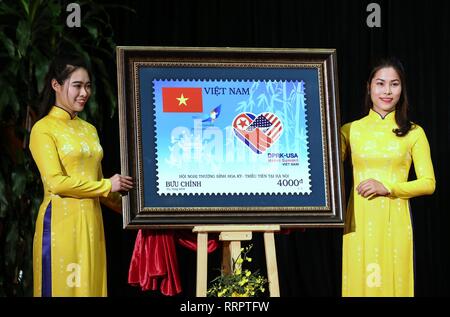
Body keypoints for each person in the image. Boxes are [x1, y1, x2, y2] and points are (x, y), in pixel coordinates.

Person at [29, 55, 133, 297]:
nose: (84, 93)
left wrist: (136, 212)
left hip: (92, 224)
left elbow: (102, 189)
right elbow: (55, 183)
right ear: (56, 85)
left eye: (88, 86)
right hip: (59, 225)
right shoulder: (43, 129)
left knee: (92, 289)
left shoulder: (90, 130)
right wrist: (108, 184)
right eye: (77, 85)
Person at [340, 58, 435, 296]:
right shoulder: (350, 130)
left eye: (394, 84)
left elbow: (428, 183)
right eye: (380, 84)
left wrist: (389, 188)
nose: (387, 91)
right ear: (369, 87)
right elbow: (324, 166)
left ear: (402, 89)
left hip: (396, 221)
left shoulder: (414, 132)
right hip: (359, 221)